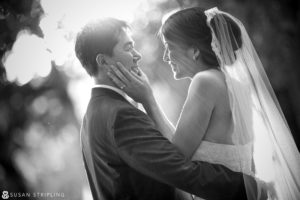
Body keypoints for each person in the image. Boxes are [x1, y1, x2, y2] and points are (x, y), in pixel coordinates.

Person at [107, 7, 300, 200]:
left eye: (170, 47)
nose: (166, 57)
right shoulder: (237, 86)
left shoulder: (205, 82)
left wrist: (148, 100)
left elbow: (177, 156)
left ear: (194, 51)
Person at [74, 17, 260, 200]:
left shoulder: (92, 116)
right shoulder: (120, 115)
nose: (137, 55)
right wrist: (252, 187)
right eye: (128, 48)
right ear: (103, 61)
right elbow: (182, 170)